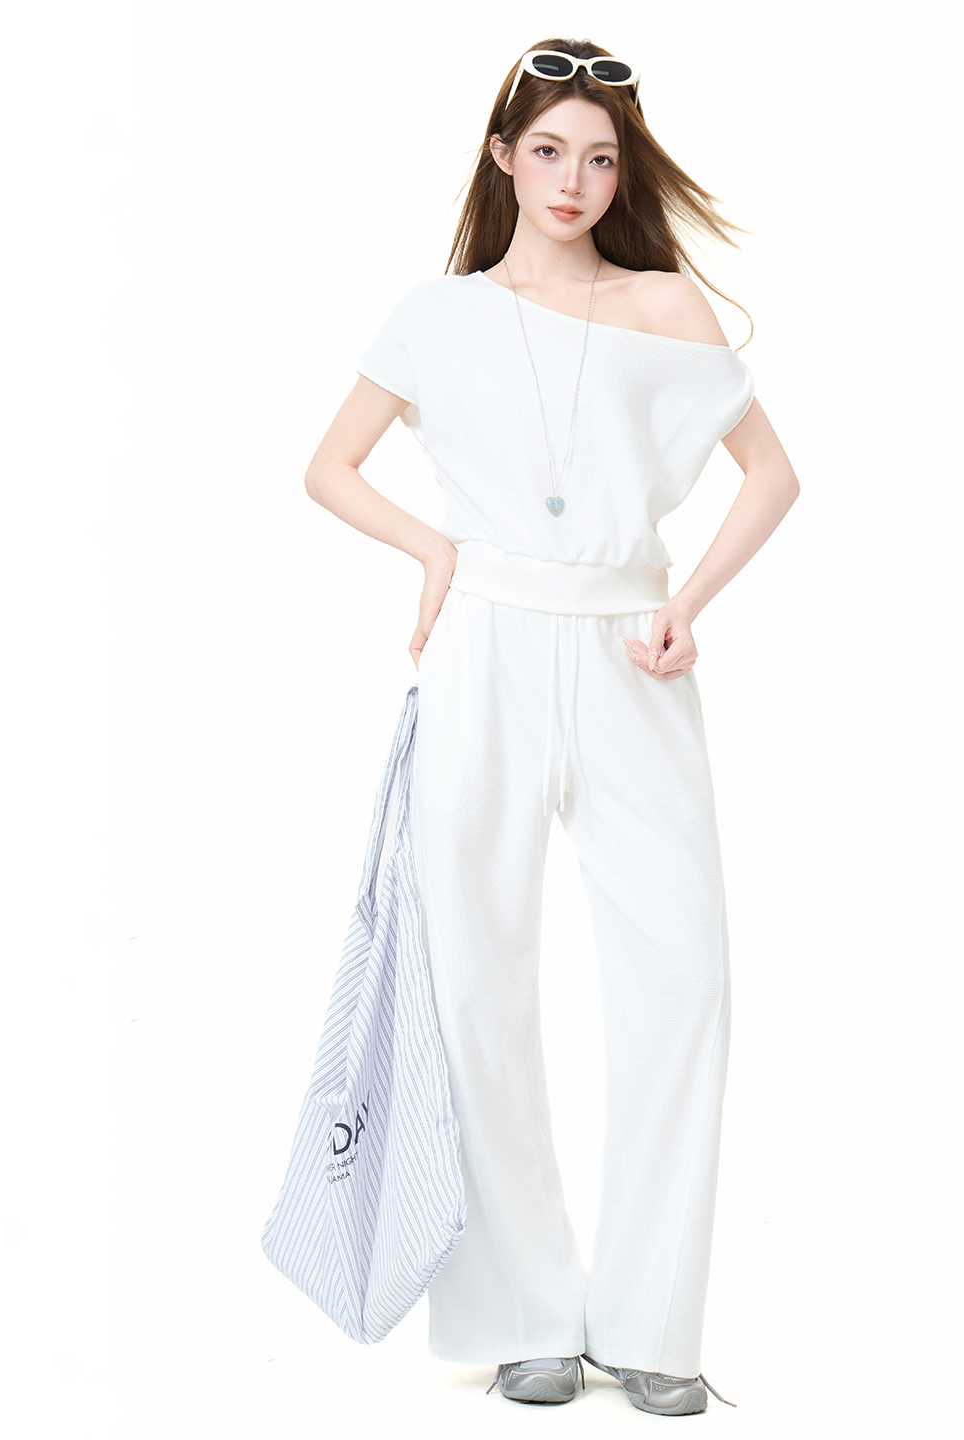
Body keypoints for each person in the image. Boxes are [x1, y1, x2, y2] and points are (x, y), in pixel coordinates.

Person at [303, 38, 798, 1417]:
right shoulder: (437, 314)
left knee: (683, 976)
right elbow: (329, 466)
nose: (573, 180)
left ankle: (651, 1324)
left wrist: (687, 603)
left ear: (621, 174)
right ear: (502, 158)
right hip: (486, 649)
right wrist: (435, 551)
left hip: (634, 648)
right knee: (476, 980)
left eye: (599, 158)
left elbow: (772, 477)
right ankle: (525, 1313)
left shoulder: (665, 305)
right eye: (548, 152)